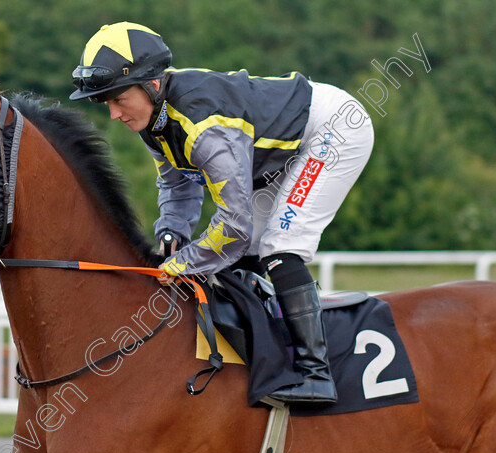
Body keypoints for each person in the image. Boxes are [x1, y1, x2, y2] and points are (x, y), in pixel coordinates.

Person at [70, 22, 374, 405]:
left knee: (280, 246)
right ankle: (269, 357)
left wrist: (183, 263)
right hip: (280, 152)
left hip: (332, 131)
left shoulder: (204, 126)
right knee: (241, 257)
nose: (114, 114)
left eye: (118, 99)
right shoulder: (154, 120)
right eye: (105, 103)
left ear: (152, 85)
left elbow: (234, 225)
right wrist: (171, 235)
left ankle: (316, 373)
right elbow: (177, 185)